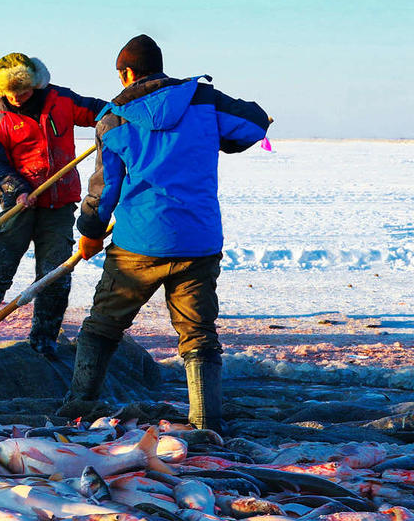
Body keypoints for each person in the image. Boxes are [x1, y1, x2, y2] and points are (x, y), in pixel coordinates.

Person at [61, 35, 271, 432]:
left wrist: (89, 231)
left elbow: (104, 189)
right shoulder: (204, 101)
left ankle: (78, 404)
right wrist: (215, 135)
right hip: (198, 239)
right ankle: (207, 422)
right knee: (198, 333)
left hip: (139, 243)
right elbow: (255, 124)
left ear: (126, 72)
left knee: (103, 324)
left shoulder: (113, 117)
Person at [0, 53, 106, 362]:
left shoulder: (62, 101)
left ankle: (43, 341)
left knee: (54, 274)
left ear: (36, 84)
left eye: (22, 91)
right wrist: (17, 189)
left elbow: (101, 112)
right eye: (8, 93)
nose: (15, 98)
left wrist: (120, 120)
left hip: (60, 204)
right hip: (19, 205)